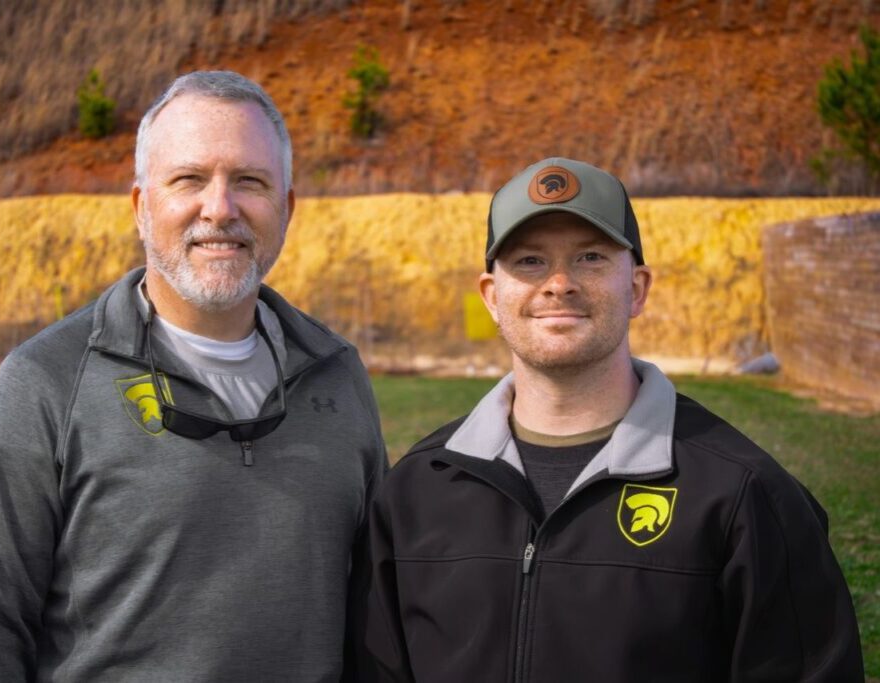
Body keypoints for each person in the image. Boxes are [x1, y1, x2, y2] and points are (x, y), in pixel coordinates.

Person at [0, 70, 387, 681]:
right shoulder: (43, 385)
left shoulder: (338, 376)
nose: (220, 208)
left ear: (286, 209)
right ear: (140, 205)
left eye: (250, 182)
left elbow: (373, 614)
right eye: (189, 179)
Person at [357, 158, 864, 681]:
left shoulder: (745, 495)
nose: (559, 283)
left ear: (638, 288)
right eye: (530, 261)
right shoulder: (416, 491)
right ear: (491, 295)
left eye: (591, 257)